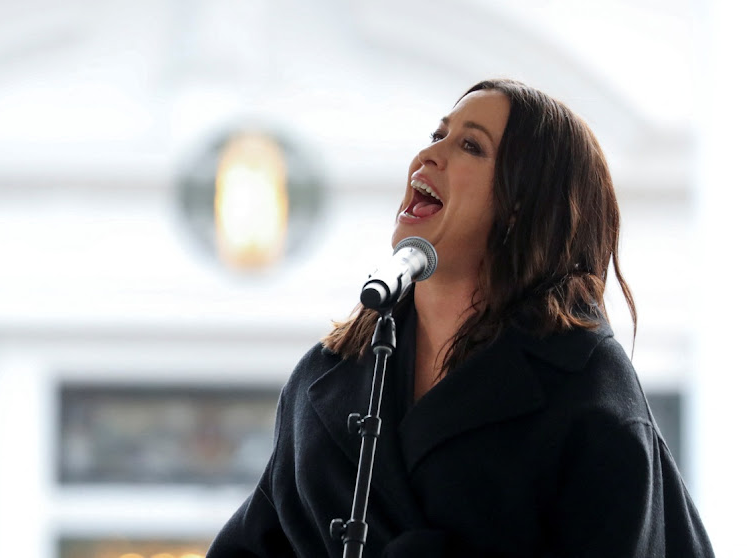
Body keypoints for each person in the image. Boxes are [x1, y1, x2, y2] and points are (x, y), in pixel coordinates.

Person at [206, 79, 714, 557]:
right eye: (437, 135)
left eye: (470, 146)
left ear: (522, 205)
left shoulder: (586, 391)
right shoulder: (323, 381)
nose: (429, 154)